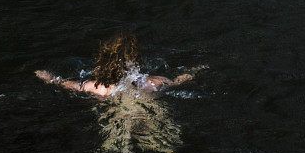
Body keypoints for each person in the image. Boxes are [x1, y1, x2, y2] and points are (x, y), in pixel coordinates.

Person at [35, 31, 206, 98]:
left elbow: (62, 82)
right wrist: (195, 71)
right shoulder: (152, 82)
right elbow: (177, 81)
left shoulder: (96, 87)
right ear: (135, 59)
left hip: (118, 118)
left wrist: (48, 77)